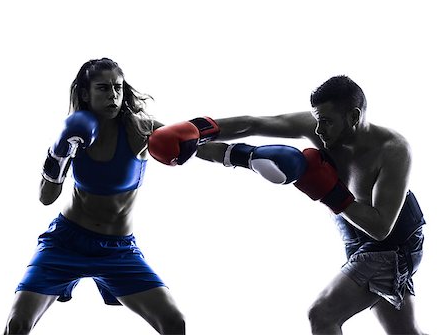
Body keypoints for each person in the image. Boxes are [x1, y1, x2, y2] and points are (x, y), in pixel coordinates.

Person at [150, 75, 426, 334]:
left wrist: (329, 192)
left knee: (323, 315)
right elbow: (253, 123)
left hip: (392, 245)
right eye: (318, 120)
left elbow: (381, 228)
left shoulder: (392, 149)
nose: (319, 130)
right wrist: (194, 130)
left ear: (353, 116)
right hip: (355, 239)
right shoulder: (320, 126)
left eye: (327, 121)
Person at [3, 57, 218, 335]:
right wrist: (58, 155)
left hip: (118, 249)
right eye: (103, 88)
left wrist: (245, 157)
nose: (113, 96)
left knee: (174, 322)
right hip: (65, 243)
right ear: (85, 93)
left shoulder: (140, 129)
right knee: (17, 324)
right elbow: (46, 198)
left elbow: (197, 145)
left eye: (117, 88)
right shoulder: (74, 134)